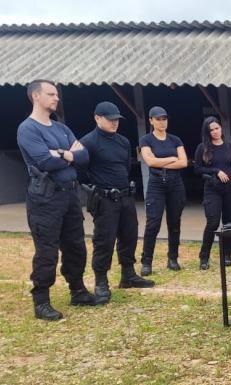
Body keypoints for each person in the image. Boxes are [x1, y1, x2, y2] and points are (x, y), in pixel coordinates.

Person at [16, 79, 96, 319]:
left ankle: (77, 290)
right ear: (36, 96)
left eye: (57, 94)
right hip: (45, 198)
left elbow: (84, 156)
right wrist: (70, 154)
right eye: (51, 94)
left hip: (70, 195)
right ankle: (41, 300)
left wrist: (62, 153)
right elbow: (45, 162)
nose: (56, 98)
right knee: (47, 250)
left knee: (76, 246)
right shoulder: (28, 129)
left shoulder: (61, 128)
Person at [77, 101, 155, 303]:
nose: (115, 123)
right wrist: (94, 189)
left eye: (117, 119)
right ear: (97, 118)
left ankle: (128, 274)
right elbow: (79, 171)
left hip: (125, 196)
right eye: (110, 119)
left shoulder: (123, 141)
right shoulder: (88, 142)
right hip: (104, 199)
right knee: (104, 240)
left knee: (129, 236)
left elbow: (125, 167)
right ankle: (101, 281)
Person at [139, 106, 188, 275]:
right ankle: (146, 261)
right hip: (156, 184)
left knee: (174, 223)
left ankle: (172, 258)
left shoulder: (175, 140)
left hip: (175, 184)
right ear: (151, 121)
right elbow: (150, 162)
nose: (162, 122)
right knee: (153, 223)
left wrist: (161, 161)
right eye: (158, 119)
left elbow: (184, 162)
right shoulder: (146, 139)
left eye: (164, 118)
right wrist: (171, 158)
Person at [195, 117, 231, 270]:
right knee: (213, 223)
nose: (214, 132)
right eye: (211, 130)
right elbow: (198, 169)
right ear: (207, 132)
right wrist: (216, 170)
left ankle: (227, 255)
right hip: (212, 189)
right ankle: (204, 256)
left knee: (229, 224)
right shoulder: (203, 148)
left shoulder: (230, 146)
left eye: (216, 128)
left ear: (221, 128)